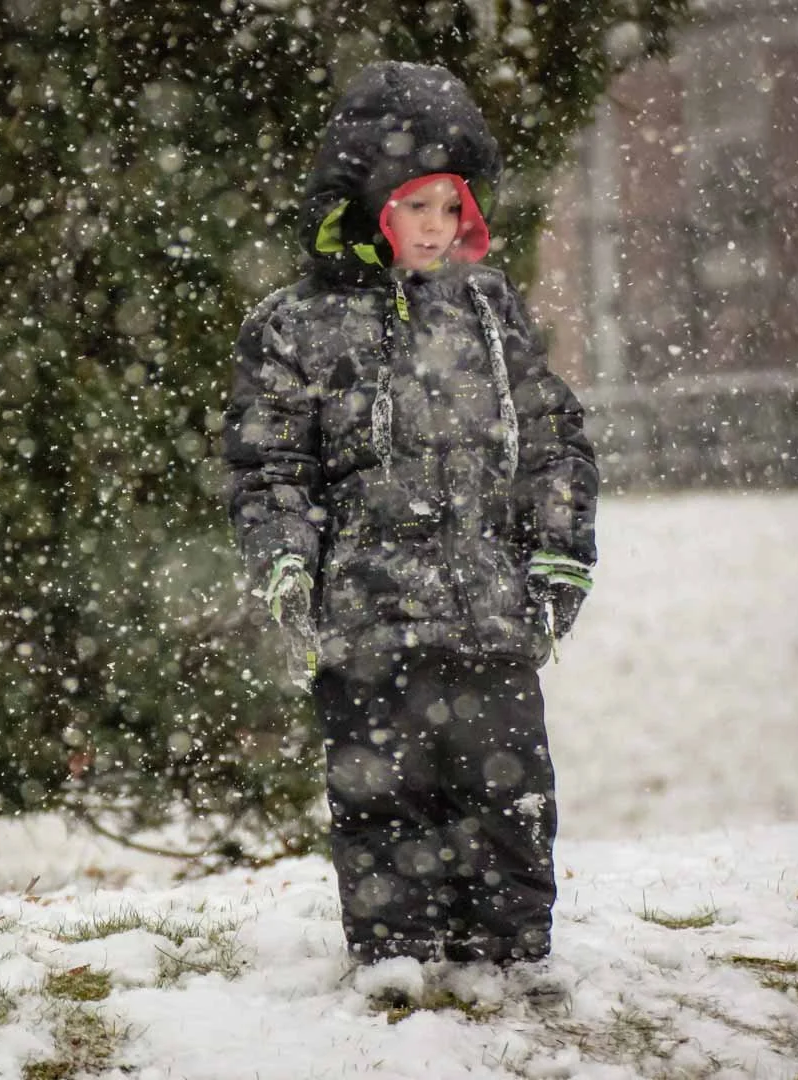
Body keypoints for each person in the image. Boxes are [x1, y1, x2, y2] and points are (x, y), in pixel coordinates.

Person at [222, 61, 599, 979]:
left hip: (486, 612)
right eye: (416, 207)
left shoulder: (486, 309)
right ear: (367, 206)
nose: (438, 229)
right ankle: (395, 963)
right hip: (365, 617)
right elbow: (271, 464)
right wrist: (284, 557)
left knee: (506, 795)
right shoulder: (293, 325)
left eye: (449, 208)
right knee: (382, 798)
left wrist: (558, 551)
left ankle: (510, 958)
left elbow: (551, 439)